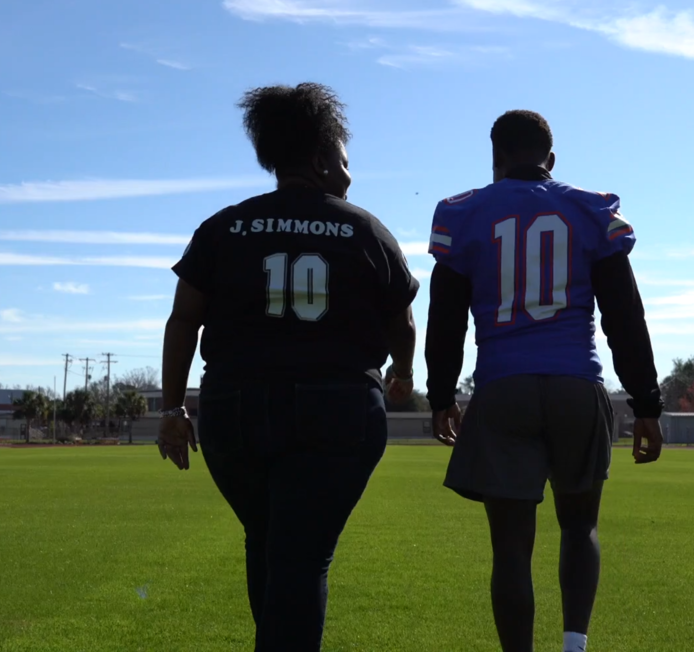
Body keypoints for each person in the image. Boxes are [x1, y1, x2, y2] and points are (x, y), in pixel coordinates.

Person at [156, 82, 419, 652]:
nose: (349, 174)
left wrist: (173, 407)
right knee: (302, 558)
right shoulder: (364, 229)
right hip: (337, 409)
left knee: (268, 542)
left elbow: (183, 322)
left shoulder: (223, 227)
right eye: (345, 161)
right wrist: (404, 371)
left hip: (234, 408)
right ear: (323, 158)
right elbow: (402, 320)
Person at [424, 110, 664, 652]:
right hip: (576, 383)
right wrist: (647, 402)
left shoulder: (463, 213)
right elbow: (625, 316)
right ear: (550, 160)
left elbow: (446, 319)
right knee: (580, 527)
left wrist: (441, 395)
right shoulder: (587, 208)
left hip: (504, 386)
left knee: (511, 549)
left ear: (495, 158)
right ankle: (574, 645)